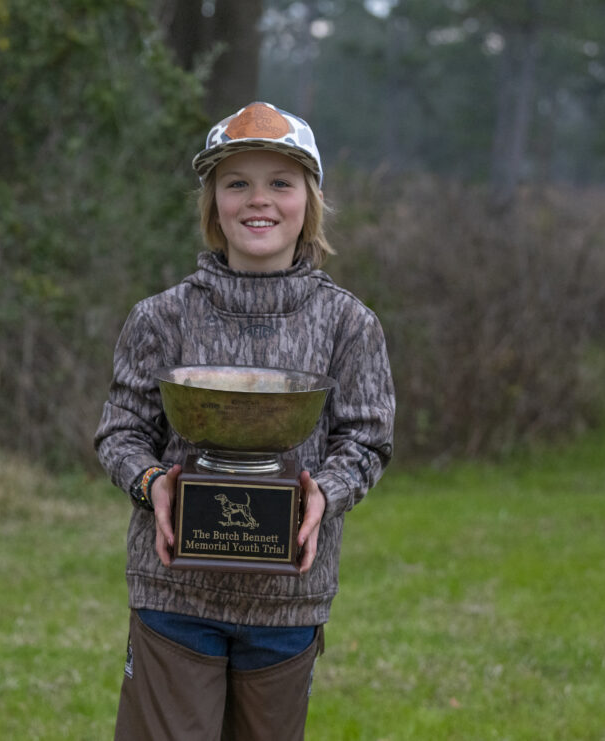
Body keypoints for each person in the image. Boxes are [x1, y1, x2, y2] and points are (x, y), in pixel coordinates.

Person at [95, 101, 395, 740]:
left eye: (280, 183)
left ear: (308, 201)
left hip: (289, 597)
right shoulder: (161, 318)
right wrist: (156, 485)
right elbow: (120, 430)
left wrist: (324, 495)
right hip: (174, 592)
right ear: (213, 202)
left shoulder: (349, 324)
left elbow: (367, 439)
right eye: (237, 183)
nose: (259, 201)